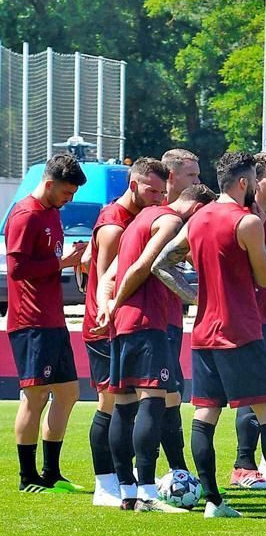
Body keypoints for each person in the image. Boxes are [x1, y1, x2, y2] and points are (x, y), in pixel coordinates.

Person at [162, 152, 266, 520]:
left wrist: (195, 296)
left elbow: (164, 262)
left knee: (205, 415)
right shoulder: (247, 222)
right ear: (245, 183)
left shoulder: (198, 218)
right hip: (241, 331)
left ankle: (214, 502)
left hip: (204, 333)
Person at [102, 183, 214, 511]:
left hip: (124, 324)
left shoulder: (142, 218)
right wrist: (198, 298)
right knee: (153, 402)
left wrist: (111, 305)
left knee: (123, 405)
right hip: (147, 322)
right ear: (196, 208)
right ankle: (149, 493)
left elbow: (117, 270)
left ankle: (127, 492)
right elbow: (149, 267)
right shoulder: (170, 221)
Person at [84, 158, 167, 505]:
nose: (158, 197)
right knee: (111, 404)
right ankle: (106, 484)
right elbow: (103, 273)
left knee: (122, 405)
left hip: (115, 318)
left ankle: (123, 484)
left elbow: (85, 259)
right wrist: (104, 309)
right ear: (133, 186)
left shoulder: (133, 218)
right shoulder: (115, 224)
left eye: (163, 191)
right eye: (152, 190)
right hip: (107, 323)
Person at [7, 154, 88, 493]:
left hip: (52, 318)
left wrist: (71, 261)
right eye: (66, 193)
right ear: (49, 183)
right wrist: (63, 262)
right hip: (30, 321)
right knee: (34, 396)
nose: (69, 200)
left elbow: (49, 260)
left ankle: (51, 472)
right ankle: (28, 477)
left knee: (69, 392)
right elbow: (17, 270)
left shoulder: (52, 213)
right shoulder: (26, 215)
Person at [229, 151, 266, 489]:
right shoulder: (245, 218)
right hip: (246, 319)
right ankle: (243, 463)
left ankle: (252, 462)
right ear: (255, 183)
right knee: (255, 392)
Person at [156, 149, 202, 473]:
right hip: (151, 322)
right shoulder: (160, 218)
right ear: (171, 177)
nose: (198, 182)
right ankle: (152, 475)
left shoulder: (185, 221)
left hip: (171, 320)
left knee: (173, 391)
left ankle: (175, 471)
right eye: (192, 176)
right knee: (160, 394)